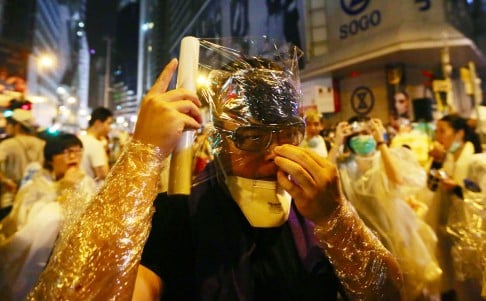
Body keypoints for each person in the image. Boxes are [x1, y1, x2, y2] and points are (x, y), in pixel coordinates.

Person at [28, 47, 402, 300]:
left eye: (288, 135)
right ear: (221, 140)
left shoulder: (319, 204)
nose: (274, 153)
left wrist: (336, 218)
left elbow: (387, 292)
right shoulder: (181, 214)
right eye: (252, 138)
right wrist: (142, 155)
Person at [329, 116, 442, 300]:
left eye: (367, 133)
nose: (363, 138)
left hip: (395, 230)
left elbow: (397, 179)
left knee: (407, 281)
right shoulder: (345, 166)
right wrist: (336, 144)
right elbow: (325, 175)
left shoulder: (385, 157)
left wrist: (381, 141)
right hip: (364, 235)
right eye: (357, 135)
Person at [0, 133, 96, 301]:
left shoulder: (86, 182)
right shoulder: (36, 183)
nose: (73, 156)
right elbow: (27, 220)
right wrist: (63, 188)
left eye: (77, 151)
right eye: (67, 152)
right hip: (39, 260)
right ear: (51, 157)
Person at [426, 113, 484, 301]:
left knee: (473, 279)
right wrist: (436, 162)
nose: (438, 136)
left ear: (459, 133)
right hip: (448, 229)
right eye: (437, 131)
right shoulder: (446, 157)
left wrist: (457, 189)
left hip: (472, 231)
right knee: (454, 277)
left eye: (443, 131)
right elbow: (431, 185)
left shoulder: (475, 159)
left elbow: (481, 196)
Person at [0, 109, 45, 212]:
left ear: (17, 126)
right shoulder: (42, 143)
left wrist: (5, 180)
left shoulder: (8, 144)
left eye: (9, 124)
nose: (7, 126)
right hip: (36, 194)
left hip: (11, 194)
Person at [79, 106, 113, 183]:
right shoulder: (95, 144)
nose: (110, 128)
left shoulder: (80, 139)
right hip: (92, 191)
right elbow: (103, 174)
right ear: (98, 123)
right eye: (108, 123)